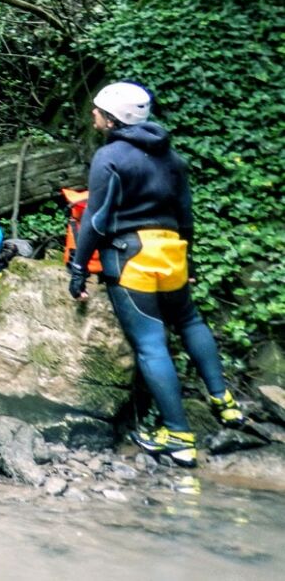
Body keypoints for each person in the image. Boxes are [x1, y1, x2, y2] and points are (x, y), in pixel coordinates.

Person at [68, 81, 244, 468]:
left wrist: (78, 268)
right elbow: (186, 219)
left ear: (112, 117)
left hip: (132, 257)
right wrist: (190, 263)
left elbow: (97, 220)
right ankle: (225, 402)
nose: (93, 114)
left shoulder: (110, 157)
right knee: (189, 320)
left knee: (150, 344)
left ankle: (178, 436)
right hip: (172, 251)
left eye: (98, 109)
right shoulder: (173, 159)